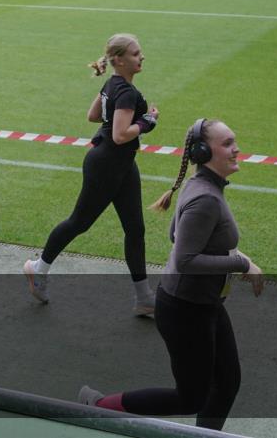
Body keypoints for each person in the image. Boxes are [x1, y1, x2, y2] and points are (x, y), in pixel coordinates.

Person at [78, 118, 265, 432]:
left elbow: (175, 234)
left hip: (204, 304)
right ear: (204, 151)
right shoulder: (206, 197)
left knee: (227, 382)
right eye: (228, 143)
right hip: (186, 310)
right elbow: (185, 260)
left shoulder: (202, 186)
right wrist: (240, 263)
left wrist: (233, 257)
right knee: (191, 397)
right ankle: (99, 407)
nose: (236, 149)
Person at [23, 33, 159, 315]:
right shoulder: (126, 92)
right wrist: (147, 122)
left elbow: (93, 116)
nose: (141, 57)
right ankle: (38, 269)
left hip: (121, 164)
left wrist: (128, 120)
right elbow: (121, 135)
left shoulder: (113, 83)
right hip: (107, 164)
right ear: (119, 60)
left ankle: (144, 298)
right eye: (135, 53)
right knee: (79, 222)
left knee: (136, 229)